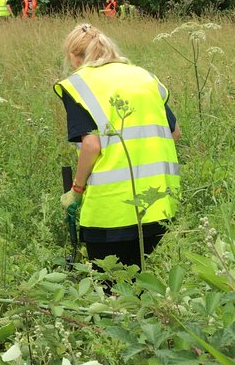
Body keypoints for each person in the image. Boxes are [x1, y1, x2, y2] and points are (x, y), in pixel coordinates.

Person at [55, 23, 181, 272]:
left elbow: (91, 144)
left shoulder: (79, 84)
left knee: (109, 285)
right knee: (137, 282)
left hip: (110, 211)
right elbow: (174, 133)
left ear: (73, 56)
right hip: (157, 206)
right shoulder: (144, 77)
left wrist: (77, 190)